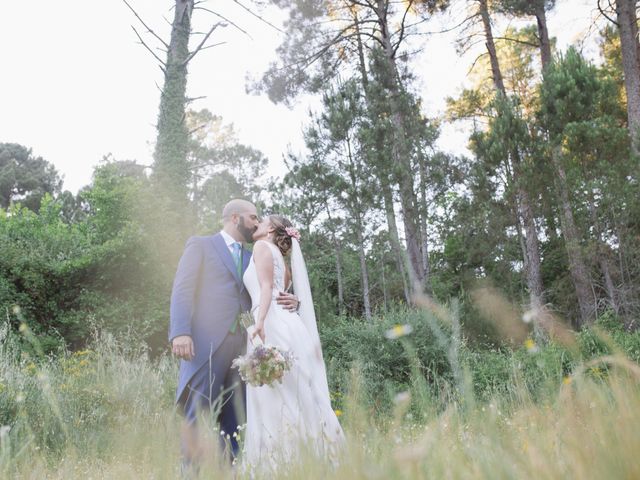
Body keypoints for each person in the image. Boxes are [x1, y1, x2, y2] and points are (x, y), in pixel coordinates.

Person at [168, 200, 299, 468]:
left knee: (236, 418)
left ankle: (226, 472)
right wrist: (180, 332)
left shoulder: (256, 256)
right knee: (199, 414)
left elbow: (269, 290)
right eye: (253, 217)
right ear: (236, 218)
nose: (257, 222)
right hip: (206, 345)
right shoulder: (201, 245)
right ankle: (189, 473)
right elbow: (182, 289)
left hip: (244, 349)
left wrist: (294, 302)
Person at [242, 214, 345, 472]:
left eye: (262, 221)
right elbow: (282, 291)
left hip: (270, 322)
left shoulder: (261, 247)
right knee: (293, 393)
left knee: (274, 396)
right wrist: (290, 304)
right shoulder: (280, 259)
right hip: (287, 323)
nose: (257, 224)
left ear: (272, 230)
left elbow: (267, 288)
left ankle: (279, 465)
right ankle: (310, 457)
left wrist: (260, 322)